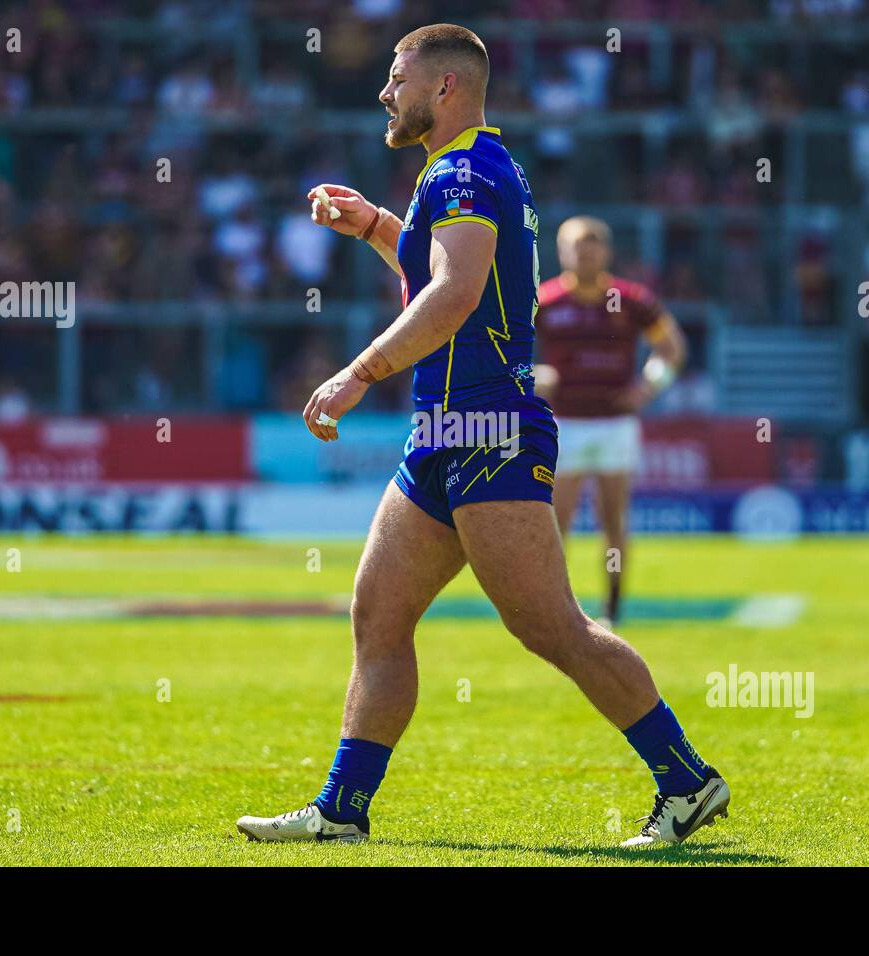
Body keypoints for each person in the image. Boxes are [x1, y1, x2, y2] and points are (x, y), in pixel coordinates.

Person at [235, 23, 729, 848]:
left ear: (446, 89)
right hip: (446, 429)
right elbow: (447, 268)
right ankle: (341, 810)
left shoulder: (463, 167)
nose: (387, 92)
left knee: (553, 629)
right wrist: (374, 226)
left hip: (487, 424)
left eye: (399, 78)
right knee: (378, 616)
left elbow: (457, 292)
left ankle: (686, 780)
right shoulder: (466, 168)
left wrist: (359, 372)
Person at [533, 216, 687, 627]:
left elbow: (672, 348)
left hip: (615, 422)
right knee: (556, 520)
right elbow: (505, 352)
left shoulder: (631, 299)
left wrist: (649, 388)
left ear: (606, 250)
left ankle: (613, 607)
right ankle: (556, 608)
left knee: (613, 519)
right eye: (576, 245)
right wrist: (533, 376)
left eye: (592, 244)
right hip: (563, 423)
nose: (585, 252)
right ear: (562, 251)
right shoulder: (543, 302)